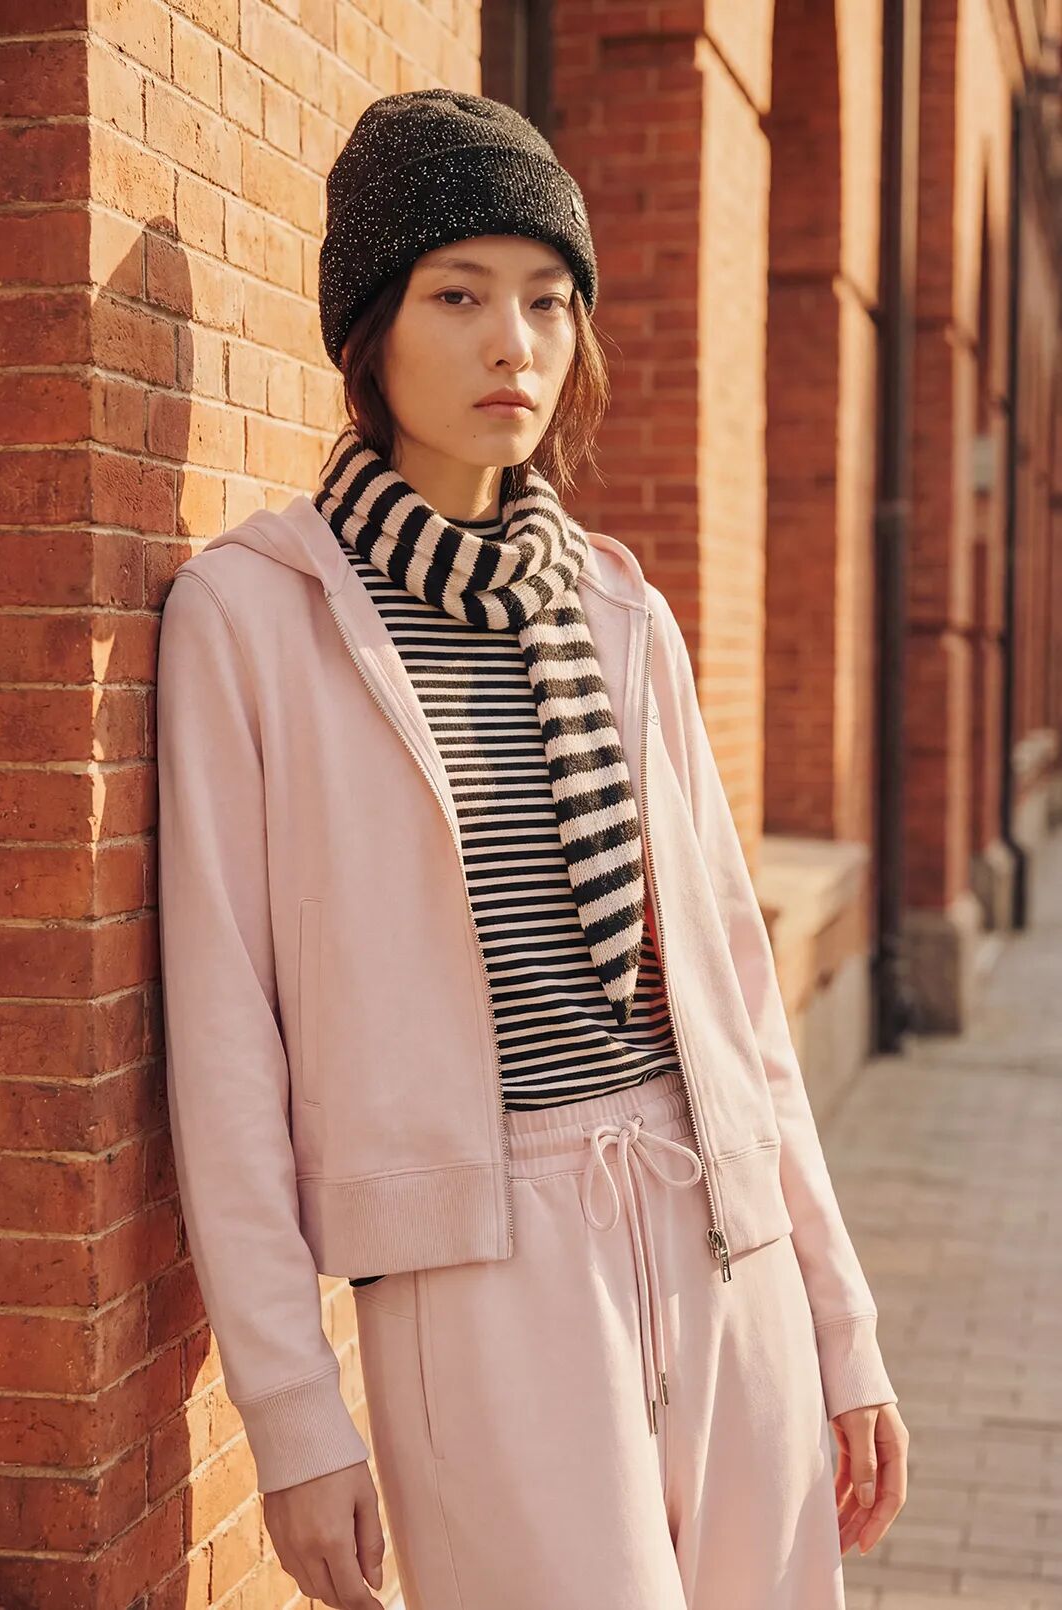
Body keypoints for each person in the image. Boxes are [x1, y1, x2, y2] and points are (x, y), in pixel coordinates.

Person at [156, 88, 909, 1610]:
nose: (516, 342)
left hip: (720, 1226)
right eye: (460, 295)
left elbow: (737, 1000)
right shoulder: (251, 616)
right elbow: (224, 1039)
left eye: (549, 300)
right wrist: (293, 1410)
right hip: (479, 1266)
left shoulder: (618, 609)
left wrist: (843, 1328)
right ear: (371, 330)